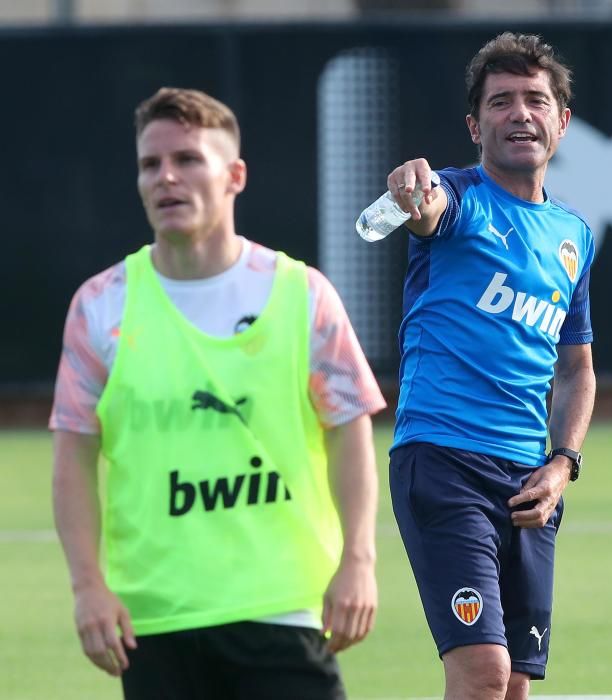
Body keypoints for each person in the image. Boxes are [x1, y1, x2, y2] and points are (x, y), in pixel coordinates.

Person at [50, 87, 385, 699]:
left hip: (281, 608)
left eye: (187, 159)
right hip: (153, 621)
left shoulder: (301, 294)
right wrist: (86, 587)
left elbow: (349, 430)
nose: (166, 178)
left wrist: (358, 560)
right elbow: (72, 456)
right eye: (150, 164)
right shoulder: (100, 306)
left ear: (235, 176)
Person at [381, 32, 596, 700]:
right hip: (443, 463)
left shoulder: (573, 236)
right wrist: (413, 192)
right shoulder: (458, 196)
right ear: (476, 126)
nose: (520, 113)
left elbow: (576, 368)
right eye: (500, 102)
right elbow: (425, 208)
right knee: (480, 674)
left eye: (536, 99)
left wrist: (562, 464)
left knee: (513, 688)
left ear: (561, 121)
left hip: (528, 480)